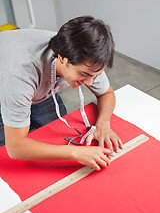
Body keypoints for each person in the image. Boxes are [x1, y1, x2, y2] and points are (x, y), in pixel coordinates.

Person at [0, 16, 123, 171]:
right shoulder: (21, 74)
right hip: (6, 86)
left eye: (94, 75)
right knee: (7, 158)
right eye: (84, 74)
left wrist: (103, 124)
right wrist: (75, 152)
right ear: (62, 58)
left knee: (55, 139)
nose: (90, 83)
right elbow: (15, 147)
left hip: (32, 84)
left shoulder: (85, 56)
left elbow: (107, 94)